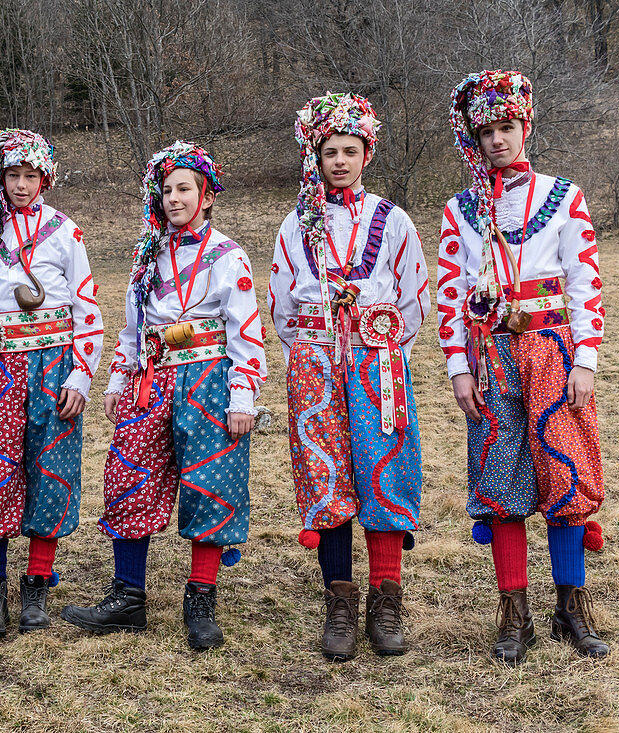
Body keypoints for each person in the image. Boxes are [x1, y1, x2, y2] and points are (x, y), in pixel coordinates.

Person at [61, 141, 267, 651]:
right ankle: (128, 596)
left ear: (206, 195)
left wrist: (241, 397)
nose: (174, 199)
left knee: (210, 484)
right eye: (167, 189)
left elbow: (246, 331)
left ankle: (201, 601)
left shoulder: (227, 254)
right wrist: (117, 378)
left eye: (185, 189)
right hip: (149, 382)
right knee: (129, 476)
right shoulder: (145, 254)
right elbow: (133, 327)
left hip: (209, 380)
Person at [438, 70, 609, 665]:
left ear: (525, 126)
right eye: (485, 131)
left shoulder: (564, 196)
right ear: (474, 139)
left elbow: (585, 280)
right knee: (500, 479)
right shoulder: (460, 209)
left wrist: (584, 358)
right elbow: (451, 292)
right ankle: (514, 612)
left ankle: (572, 606)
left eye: (506, 127)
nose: (497, 140)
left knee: (564, 475)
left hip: (552, 351)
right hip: (491, 360)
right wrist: (459, 366)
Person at [268, 94, 431, 661]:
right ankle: (339, 597)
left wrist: (380, 347)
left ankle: (387, 596)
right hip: (314, 362)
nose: (339, 160)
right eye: (329, 151)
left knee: (384, 469)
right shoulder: (294, 224)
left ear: (367, 154)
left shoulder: (396, 220)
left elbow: (413, 297)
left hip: (377, 361)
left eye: (350, 150)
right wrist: (312, 350)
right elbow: (281, 301)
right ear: (315, 156)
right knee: (325, 472)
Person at [0, 128, 103, 639]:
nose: (20, 185)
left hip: (55, 364)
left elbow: (87, 307)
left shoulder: (65, 231)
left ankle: (37, 583)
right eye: (11, 174)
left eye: (30, 175)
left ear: (45, 178)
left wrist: (81, 373)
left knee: (51, 467)